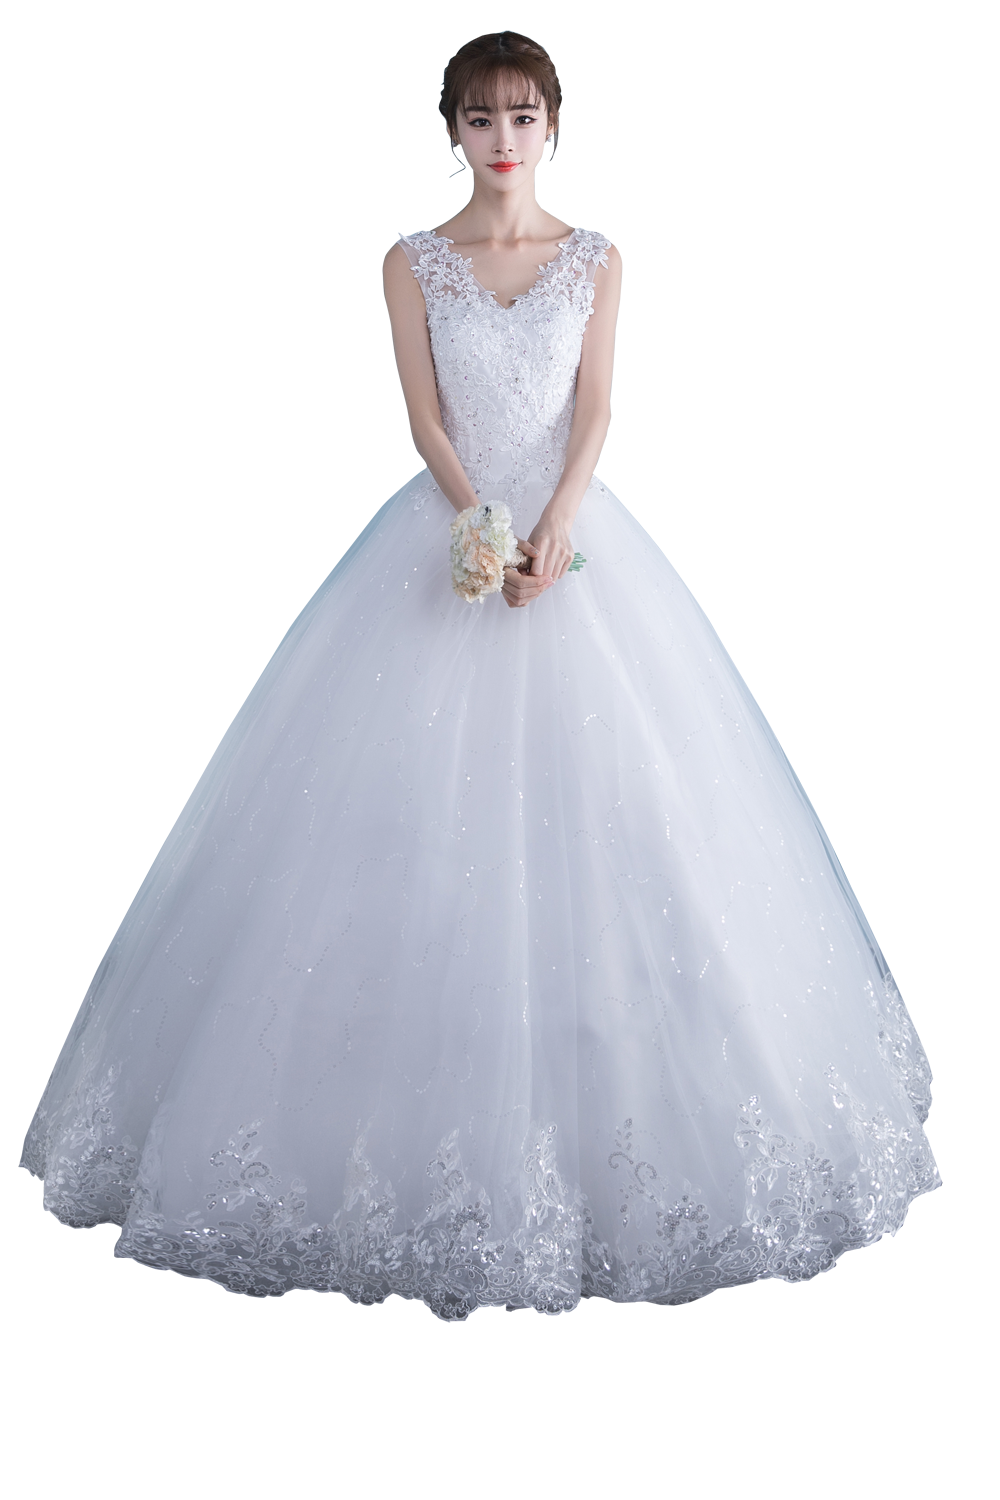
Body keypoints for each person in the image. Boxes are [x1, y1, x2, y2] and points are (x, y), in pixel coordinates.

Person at [27, 33, 934, 1319]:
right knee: (376, 844)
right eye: (477, 117)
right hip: (447, 551)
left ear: (555, 127)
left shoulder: (597, 260)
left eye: (521, 114)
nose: (501, 138)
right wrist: (477, 524)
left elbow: (594, 414)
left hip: (576, 553)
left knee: (641, 834)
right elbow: (423, 418)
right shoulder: (412, 265)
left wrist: (555, 525)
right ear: (451, 132)